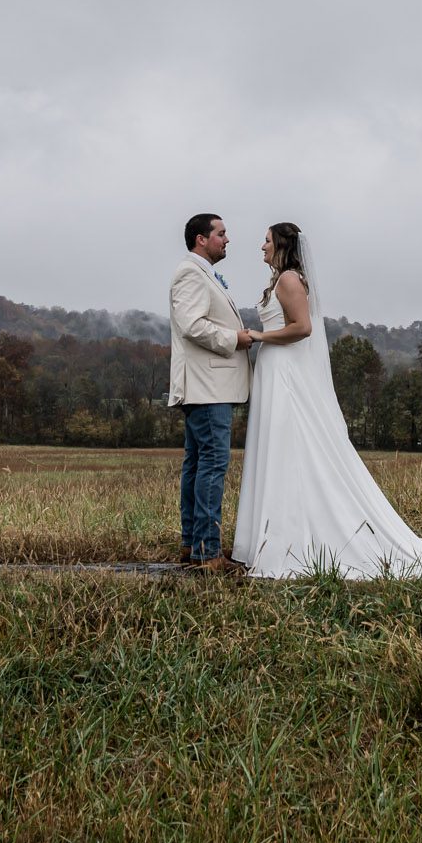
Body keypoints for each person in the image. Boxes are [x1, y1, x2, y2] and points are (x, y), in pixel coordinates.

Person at [230, 221, 422, 579]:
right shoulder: (279, 280)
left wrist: (259, 335)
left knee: (290, 448)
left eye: (266, 240)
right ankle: (272, 535)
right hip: (274, 370)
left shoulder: (289, 280)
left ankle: (293, 539)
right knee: (278, 449)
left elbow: (303, 328)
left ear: (281, 244)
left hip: (285, 373)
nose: (261, 246)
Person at [167, 212, 257, 573]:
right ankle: (207, 552)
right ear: (201, 239)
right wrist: (235, 339)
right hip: (208, 386)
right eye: (221, 233)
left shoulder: (202, 273)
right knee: (212, 465)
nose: (227, 239)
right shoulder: (190, 272)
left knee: (198, 464)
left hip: (207, 386)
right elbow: (192, 326)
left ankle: (194, 544)